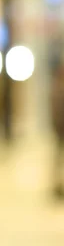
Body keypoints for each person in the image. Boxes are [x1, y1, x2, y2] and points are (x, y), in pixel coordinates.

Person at [50, 57, 64, 199]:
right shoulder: (58, 89)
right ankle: (57, 186)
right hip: (61, 131)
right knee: (58, 161)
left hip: (59, 130)